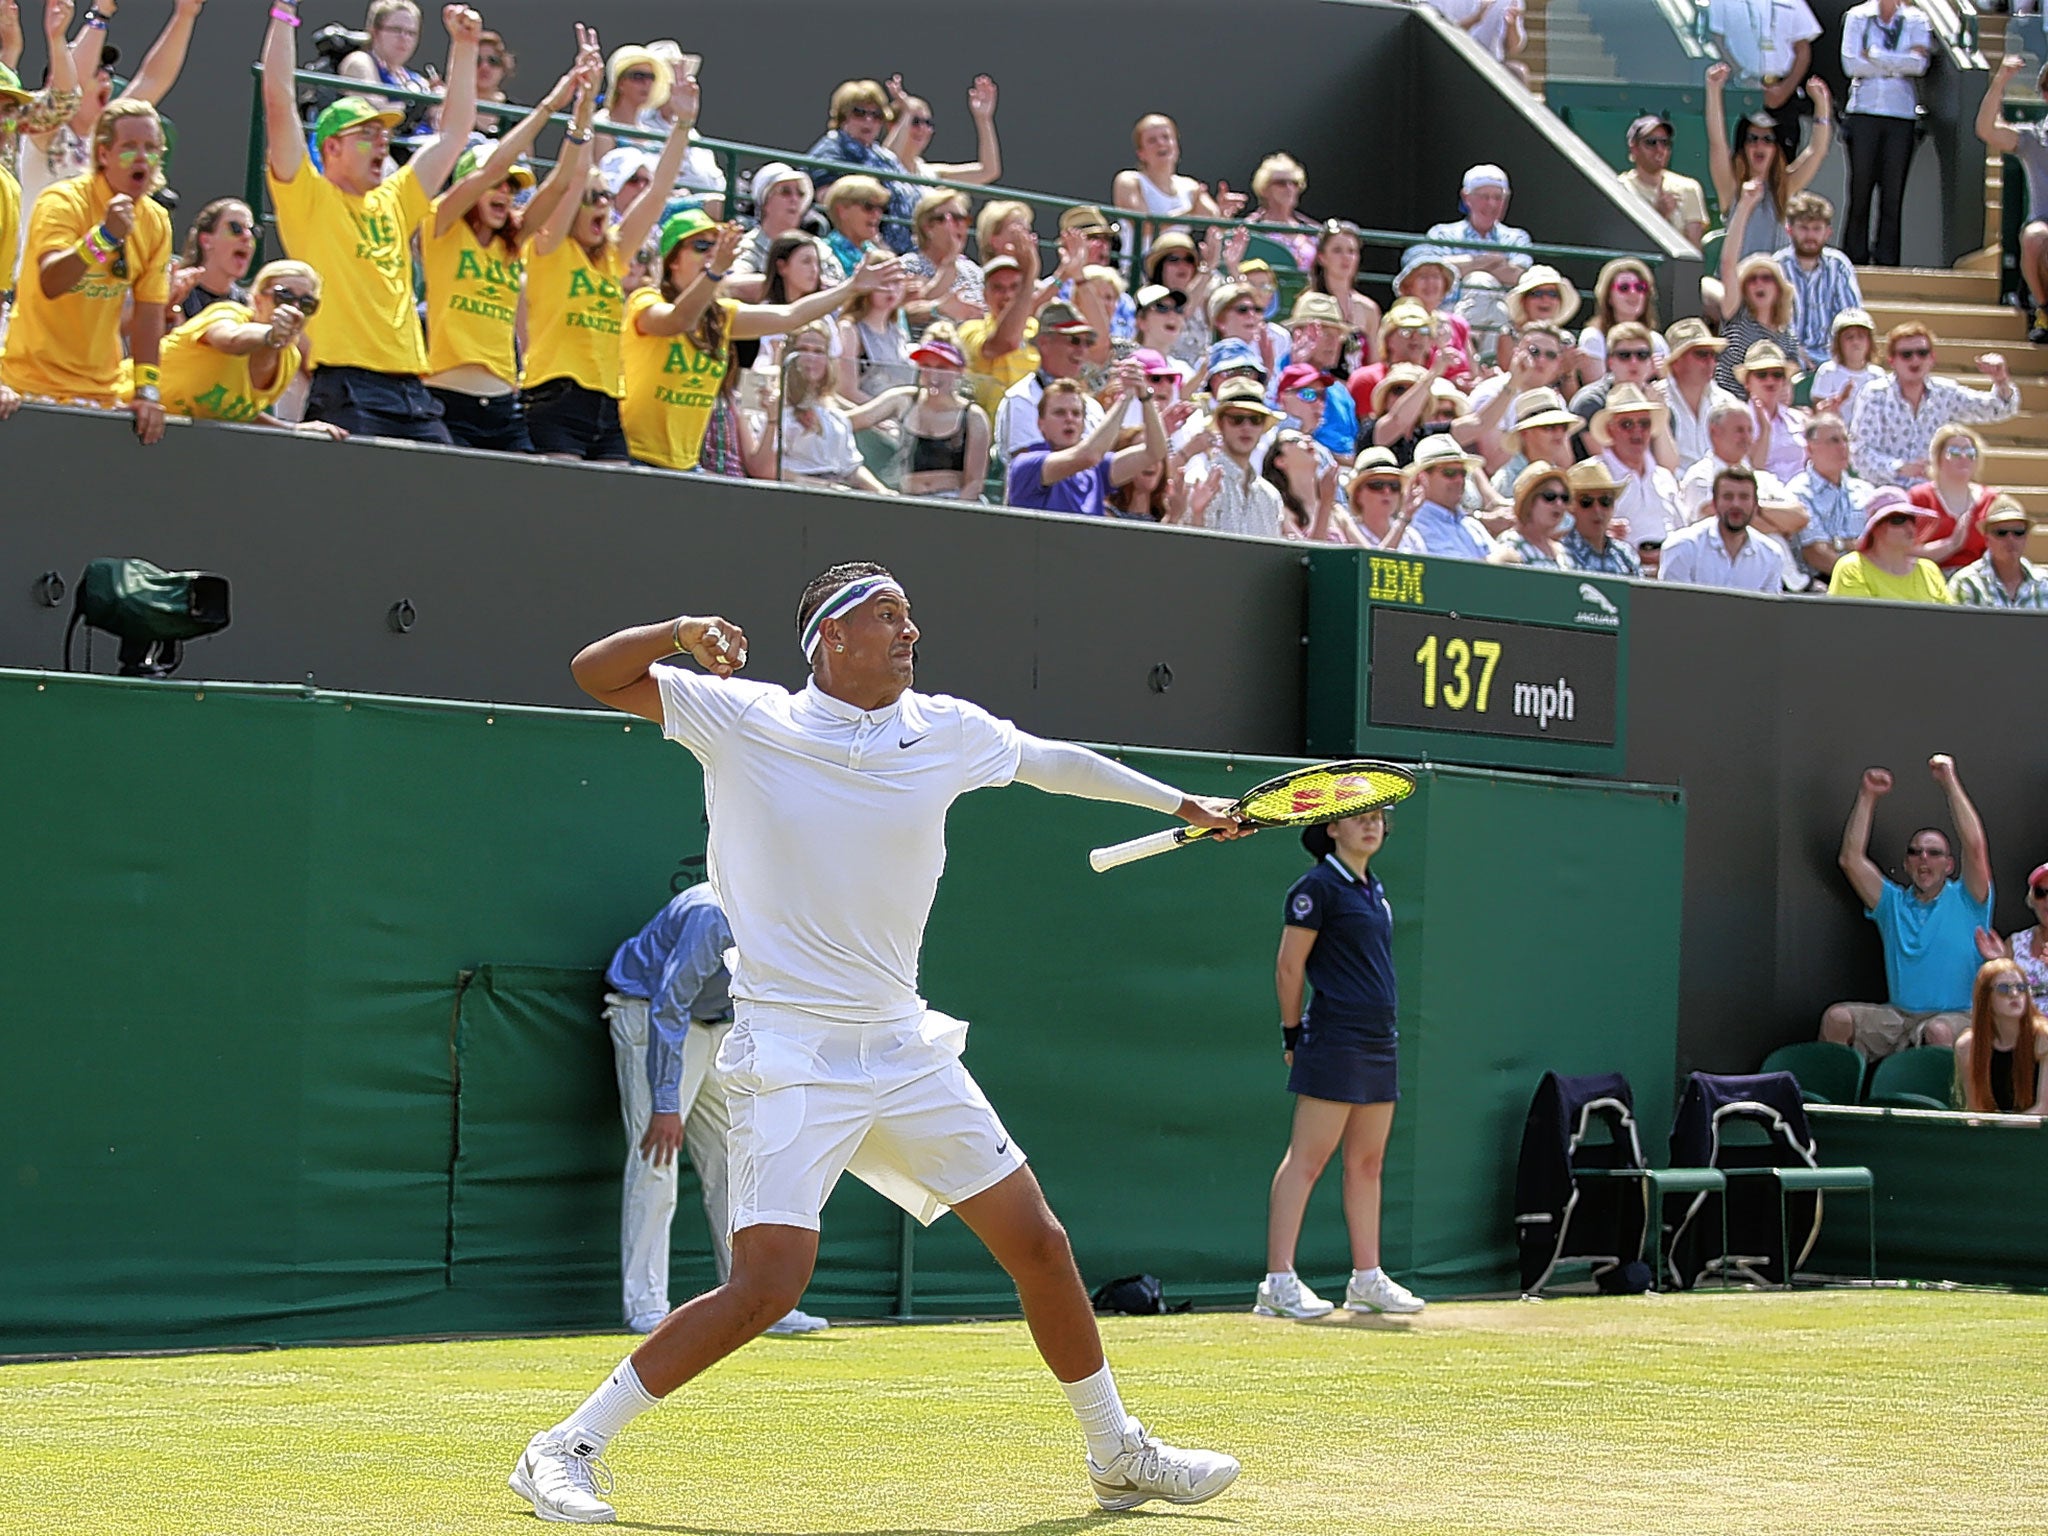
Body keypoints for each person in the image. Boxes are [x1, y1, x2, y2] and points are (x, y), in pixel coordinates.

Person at [516, 565, 1246, 1523]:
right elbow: (594, 672)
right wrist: (679, 628)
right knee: (768, 1285)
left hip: (902, 1046)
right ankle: (562, 1448)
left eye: (910, 615)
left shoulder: (947, 729)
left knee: (1037, 1240)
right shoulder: (745, 718)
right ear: (828, 636)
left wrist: (1175, 801)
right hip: (789, 1049)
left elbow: (1054, 761)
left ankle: (1118, 1453)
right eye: (888, 616)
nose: (911, 630)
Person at [602, 885, 830, 1338]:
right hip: (650, 1015)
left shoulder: (797, 915)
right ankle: (645, 1308)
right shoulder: (713, 915)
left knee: (737, 1167)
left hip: (718, 1025)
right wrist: (666, 1104)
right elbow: (670, 1004)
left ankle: (758, 1302)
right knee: (656, 1162)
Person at [260, 0, 481, 443]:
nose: (382, 142)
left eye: (385, 133)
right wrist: (284, 14)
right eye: (367, 134)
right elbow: (279, 103)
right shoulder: (310, 196)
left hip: (411, 390)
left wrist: (464, 46)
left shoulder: (396, 197)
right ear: (332, 148)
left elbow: (455, 133)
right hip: (346, 387)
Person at [1257, 808, 1425, 1322]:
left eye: (1378, 819)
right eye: (1358, 819)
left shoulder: (1374, 891)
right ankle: (1278, 1283)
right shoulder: (1316, 888)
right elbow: (1290, 966)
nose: (1372, 827)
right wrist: (1292, 1032)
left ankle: (1367, 1280)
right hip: (1333, 1036)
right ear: (1331, 829)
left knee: (1368, 1162)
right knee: (1307, 1159)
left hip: (1379, 1039)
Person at [619, 210, 900, 474]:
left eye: (717, 247)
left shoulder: (722, 316)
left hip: (686, 463)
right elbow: (679, 320)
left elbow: (791, 316)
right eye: (701, 246)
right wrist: (716, 271)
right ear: (673, 260)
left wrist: (850, 288)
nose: (713, 254)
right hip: (635, 454)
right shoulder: (645, 301)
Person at [525, 45, 694, 462]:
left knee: (612, 512)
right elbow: (574, 176)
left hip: (606, 403)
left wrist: (684, 124)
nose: (602, 203)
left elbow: (656, 195)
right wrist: (586, 105)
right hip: (556, 398)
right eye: (591, 198)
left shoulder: (613, 255)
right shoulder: (548, 248)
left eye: (605, 196)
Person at [424, 58, 589, 454]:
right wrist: (550, 105)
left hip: (503, 406)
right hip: (447, 401)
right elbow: (492, 165)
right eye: (495, 185)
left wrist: (582, 108)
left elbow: (562, 183)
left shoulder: (512, 242)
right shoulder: (440, 225)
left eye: (512, 188)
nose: (504, 193)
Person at [0, 94, 166, 441]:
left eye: (151, 148)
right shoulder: (62, 201)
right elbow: (52, 281)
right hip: (30, 385)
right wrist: (104, 239)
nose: (142, 158)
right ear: (103, 154)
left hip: (100, 394)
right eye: (129, 146)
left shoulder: (156, 221)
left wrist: (146, 391)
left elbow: (149, 312)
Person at [1823, 754, 1992, 1057]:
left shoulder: (1968, 900)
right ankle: (1832, 1104)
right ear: (1906, 863)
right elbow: (1850, 860)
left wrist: (1949, 782)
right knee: (1837, 1019)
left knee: (1936, 1031)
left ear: (1950, 864)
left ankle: (1944, 1106)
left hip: (1957, 1018)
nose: (1923, 859)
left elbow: (1975, 847)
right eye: (1915, 853)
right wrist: (1867, 795)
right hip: (1898, 1017)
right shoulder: (1892, 904)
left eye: (1934, 853)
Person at [19, 0, 203, 214]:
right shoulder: (43, 135)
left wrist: (185, 14)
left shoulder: (105, 138)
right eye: (97, 69)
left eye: (109, 69)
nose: (106, 76)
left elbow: (152, 80)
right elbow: (68, 89)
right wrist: (102, 12)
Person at [141, 258, 345, 437]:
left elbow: (236, 411)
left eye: (307, 303)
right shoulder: (229, 313)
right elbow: (230, 339)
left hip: (168, 436)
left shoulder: (289, 359)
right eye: (284, 296)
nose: (295, 308)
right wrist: (270, 335)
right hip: (130, 414)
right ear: (258, 299)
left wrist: (292, 429)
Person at [1849, 323, 2017, 488]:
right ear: (1892, 360)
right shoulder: (1874, 394)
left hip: (1934, 494)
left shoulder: (1945, 393)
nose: (1915, 360)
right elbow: (1860, 452)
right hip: (1887, 492)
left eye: (1922, 353)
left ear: (1932, 358)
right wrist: (1899, 468)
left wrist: (2001, 379)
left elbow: (1998, 409)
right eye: (1906, 354)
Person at [1705, 62, 1833, 260]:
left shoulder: (1786, 187)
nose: (1760, 145)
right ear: (1743, 148)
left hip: (1775, 284)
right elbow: (1717, 144)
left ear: (1776, 149)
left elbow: (1817, 151)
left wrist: (1822, 105)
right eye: (1752, 139)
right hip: (1737, 282)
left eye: (1768, 140)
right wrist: (1713, 90)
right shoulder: (1731, 188)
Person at [1840, 0, 1931, 267]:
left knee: (1892, 194)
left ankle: (1887, 261)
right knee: (1860, 189)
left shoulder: (1916, 19)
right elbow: (1851, 64)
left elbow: (1919, 65)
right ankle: (1853, 258)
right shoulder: (1858, 16)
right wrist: (1898, 66)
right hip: (1863, 110)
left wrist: (1876, 57)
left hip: (1900, 113)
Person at [1006, 365, 1165, 516]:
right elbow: (1088, 456)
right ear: (1041, 423)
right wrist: (1125, 399)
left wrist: (1145, 396)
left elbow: (1154, 452)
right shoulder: (1027, 464)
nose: (1069, 419)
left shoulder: (1097, 469)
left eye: (1076, 414)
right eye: (1059, 413)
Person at [861, 332, 991, 500]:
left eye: (942, 367)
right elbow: (850, 421)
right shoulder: (903, 399)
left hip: (951, 500)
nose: (933, 374)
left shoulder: (973, 416)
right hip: (904, 498)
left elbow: (974, 483)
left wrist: (954, 514)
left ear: (960, 370)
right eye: (926, 366)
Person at [774, 323, 895, 493]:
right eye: (803, 349)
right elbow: (769, 467)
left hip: (837, 491)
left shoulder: (832, 409)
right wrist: (818, 485)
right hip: (797, 492)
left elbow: (851, 467)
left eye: (818, 351)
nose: (811, 358)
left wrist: (883, 493)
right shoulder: (777, 404)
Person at [1977, 55, 2048, 342]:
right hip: (2045, 226)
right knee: (2034, 237)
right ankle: (2043, 310)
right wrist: (2000, 82)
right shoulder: (2034, 138)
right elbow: (1986, 130)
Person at [807, 78, 917, 254]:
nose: (869, 120)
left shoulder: (882, 154)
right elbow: (831, 202)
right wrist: (882, 251)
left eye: (877, 115)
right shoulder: (831, 149)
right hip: (867, 250)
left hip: (909, 247)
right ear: (843, 117)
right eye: (859, 113)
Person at [1707, 0, 1824, 156]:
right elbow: (1717, 41)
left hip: (1782, 93)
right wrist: (1742, 77)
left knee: (1785, 162)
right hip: (1740, 92)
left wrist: (1784, 89)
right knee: (1738, 161)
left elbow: (1803, 49)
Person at [1717, 184, 1802, 391]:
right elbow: (1728, 264)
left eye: (1766, 277)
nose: (1759, 283)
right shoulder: (1736, 314)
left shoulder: (1788, 338)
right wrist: (1745, 205)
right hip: (1733, 408)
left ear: (1779, 288)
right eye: (1751, 279)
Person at [995, 300, 1103, 463]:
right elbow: (1030, 468)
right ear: (1044, 343)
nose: (1082, 350)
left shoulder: (1093, 407)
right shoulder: (1021, 399)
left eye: (1087, 342)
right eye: (1074, 341)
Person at [1179, 377, 1286, 536]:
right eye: (1237, 419)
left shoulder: (1270, 496)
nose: (1246, 427)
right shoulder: (1198, 480)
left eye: (1255, 420)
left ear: (1263, 426)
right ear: (1221, 424)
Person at [1658, 463, 1786, 591]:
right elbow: (1672, 606)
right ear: (1714, 503)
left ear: (1755, 504)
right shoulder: (1683, 547)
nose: (1736, 504)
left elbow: (1768, 610)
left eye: (1744, 497)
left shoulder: (1771, 555)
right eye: (1728, 497)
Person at [1775, 192, 1862, 370]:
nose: (1810, 236)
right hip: (1788, 357)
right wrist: (1795, 351)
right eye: (1804, 228)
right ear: (1789, 229)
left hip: (1833, 358)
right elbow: (1772, 322)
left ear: (1828, 232)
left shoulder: (1839, 265)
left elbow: (1852, 316)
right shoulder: (1777, 266)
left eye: (1816, 229)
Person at [1593, 384, 1688, 547]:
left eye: (1644, 424)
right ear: (1610, 430)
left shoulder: (1664, 477)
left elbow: (1684, 532)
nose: (1637, 431)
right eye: (1627, 424)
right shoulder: (1593, 474)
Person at [1112, 111, 1229, 242]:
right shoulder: (1128, 181)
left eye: (1166, 137)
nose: (1161, 143)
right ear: (1141, 153)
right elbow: (1145, 227)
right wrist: (1188, 213)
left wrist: (1223, 213)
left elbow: (1217, 225)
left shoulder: (1190, 186)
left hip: (1181, 261)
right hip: (1140, 262)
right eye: (1152, 140)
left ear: (1177, 146)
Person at [1787, 412, 1876, 582]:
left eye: (1845, 439)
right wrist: (1861, 579)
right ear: (1810, 448)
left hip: (1871, 580)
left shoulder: (1865, 491)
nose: (1843, 446)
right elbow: (1815, 553)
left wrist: (1836, 543)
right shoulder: (1798, 492)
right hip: (1824, 586)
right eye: (1834, 441)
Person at [1826, 486, 1953, 602]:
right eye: (1898, 520)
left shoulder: (1929, 570)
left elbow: (1952, 621)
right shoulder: (1852, 568)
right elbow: (1858, 622)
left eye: (1912, 519)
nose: (1910, 527)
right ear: (1875, 529)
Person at [1953, 960, 2048, 1114]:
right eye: (2004, 989)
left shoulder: (2043, 1038)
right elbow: (1976, 1110)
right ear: (1986, 998)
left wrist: (2002, 1128)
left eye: (2021, 987)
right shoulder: (1968, 1046)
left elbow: (2044, 1110)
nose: (2014, 994)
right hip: (1995, 1132)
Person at [1413, 164, 1531, 284]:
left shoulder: (1517, 238)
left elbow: (1519, 276)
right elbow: (1434, 271)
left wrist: (1461, 266)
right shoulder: (1442, 234)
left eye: (1498, 197)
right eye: (1484, 197)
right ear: (1466, 198)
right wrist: (1491, 260)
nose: (1492, 204)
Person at [1908, 423, 1998, 574]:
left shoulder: (1990, 500)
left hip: (1978, 581)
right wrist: (1950, 545)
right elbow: (1906, 552)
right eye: (1954, 452)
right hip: (1929, 578)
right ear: (1938, 458)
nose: (1964, 457)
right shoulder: (1919, 498)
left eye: (1970, 452)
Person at [882, 72, 1000, 185]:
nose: (922, 129)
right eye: (915, 121)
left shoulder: (931, 173)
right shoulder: (880, 162)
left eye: (928, 123)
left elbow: (988, 171)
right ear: (893, 126)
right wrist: (908, 111)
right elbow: (887, 162)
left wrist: (984, 119)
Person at [1401, 434, 1499, 559]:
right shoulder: (1417, 525)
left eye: (1463, 473)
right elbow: (1458, 573)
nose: (1459, 480)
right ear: (1422, 478)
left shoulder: (1472, 525)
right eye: (1450, 473)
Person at [1658, 318, 1739, 467]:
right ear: (1677, 362)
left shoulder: (1727, 402)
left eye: (1713, 355)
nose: (1710, 362)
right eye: (1702, 354)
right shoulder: (1657, 400)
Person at [1617, 113, 1706, 247]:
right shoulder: (1620, 188)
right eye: (1651, 143)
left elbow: (1694, 251)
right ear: (1634, 148)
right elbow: (1624, 242)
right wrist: (1658, 216)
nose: (1660, 150)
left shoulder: (1689, 188)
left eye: (1665, 143)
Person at [901, 188, 985, 327]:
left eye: (963, 219)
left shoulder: (973, 271)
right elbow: (908, 311)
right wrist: (950, 261)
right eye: (953, 219)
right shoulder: (908, 266)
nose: (959, 225)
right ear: (928, 227)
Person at [1947, 496, 2048, 607]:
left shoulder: (2044, 581)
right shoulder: (1967, 582)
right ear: (1986, 539)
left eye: (2018, 532)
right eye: (2001, 533)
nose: (2010, 539)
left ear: (2026, 538)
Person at [167, 197, 256, 323]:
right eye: (236, 228)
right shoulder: (178, 291)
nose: (247, 237)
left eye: (252, 231)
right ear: (206, 241)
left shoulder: (247, 304)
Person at [728, 162, 816, 282]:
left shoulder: (818, 248)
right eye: (785, 192)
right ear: (765, 202)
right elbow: (732, 283)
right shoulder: (746, 247)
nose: (795, 199)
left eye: (800, 193)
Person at [336, 0, 427, 114]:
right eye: (396, 30)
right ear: (374, 31)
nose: (404, 38)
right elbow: (373, 112)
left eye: (411, 33)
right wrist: (417, 107)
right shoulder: (360, 61)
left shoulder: (416, 79)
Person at [1578, 258, 1665, 378]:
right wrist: (1645, 374)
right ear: (1608, 297)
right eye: (1624, 288)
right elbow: (1595, 389)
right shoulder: (1594, 338)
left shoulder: (1656, 340)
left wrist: (1663, 375)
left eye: (1640, 287)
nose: (1633, 293)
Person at [1978, 862, 2048, 1006]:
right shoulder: (2017, 943)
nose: (2047, 900)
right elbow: (1996, 997)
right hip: (2022, 1026)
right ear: (2032, 900)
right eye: (2040, 893)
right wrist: (1998, 963)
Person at [1489, 386, 1580, 497]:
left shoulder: (1560, 477)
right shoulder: (1507, 482)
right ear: (1525, 433)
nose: (1559, 433)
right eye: (1549, 426)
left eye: (1563, 426)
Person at [1737, 339, 1807, 482]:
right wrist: (1765, 430)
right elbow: (1751, 469)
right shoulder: (1738, 421)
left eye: (1777, 375)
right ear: (1747, 383)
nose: (1770, 381)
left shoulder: (1797, 419)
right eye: (1762, 374)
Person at [1560, 458, 1641, 574]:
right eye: (1586, 502)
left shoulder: (1625, 555)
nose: (1597, 510)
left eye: (1605, 501)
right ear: (1570, 507)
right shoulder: (1561, 554)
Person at [1495, 461, 1575, 567]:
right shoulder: (1511, 545)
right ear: (1528, 502)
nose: (1559, 504)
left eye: (1565, 497)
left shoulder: (1563, 552)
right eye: (1550, 496)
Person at [1346, 449, 1428, 550]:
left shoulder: (1411, 538)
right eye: (1377, 485)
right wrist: (1404, 519)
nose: (1387, 491)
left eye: (1394, 486)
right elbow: (1374, 562)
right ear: (1358, 494)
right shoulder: (1345, 533)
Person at [1812, 306, 1884, 420]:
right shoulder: (1828, 371)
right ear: (1838, 343)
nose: (1855, 342)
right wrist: (1839, 400)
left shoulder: (1877, 375)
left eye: (1861, 337)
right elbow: (1819, 413)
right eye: (1849, 337)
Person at [1248, 153, 1317, 269]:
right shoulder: (1251, 228)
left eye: (1294, 183)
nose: (1289, 188)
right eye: (1281, 183)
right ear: (1264, 189)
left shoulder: (1311, 230)